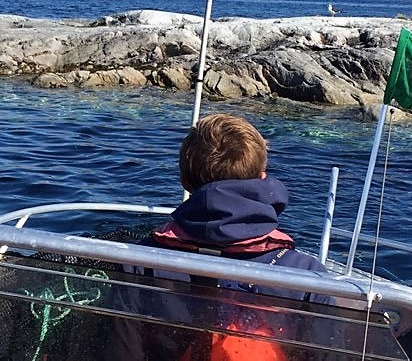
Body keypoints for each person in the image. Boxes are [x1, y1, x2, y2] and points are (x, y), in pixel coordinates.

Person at [110, 113, 333, 360]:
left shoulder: (138, 263)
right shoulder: (308, 276)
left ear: (184, 181)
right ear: (262, 179)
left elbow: (120, 351)